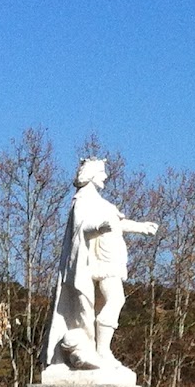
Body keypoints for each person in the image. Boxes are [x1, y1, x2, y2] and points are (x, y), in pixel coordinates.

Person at [42, 158, 159, 376]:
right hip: (99, 261)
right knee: (116, 300)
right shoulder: (82, 200)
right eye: (102, 173)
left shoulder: (101, 202)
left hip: (112, 259)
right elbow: (80, 229)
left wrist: (141, 228)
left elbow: (116, 223)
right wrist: (99, 226)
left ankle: (100, 348)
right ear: (92, 175)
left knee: (108, 301)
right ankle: (102, 350)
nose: (105, 177)